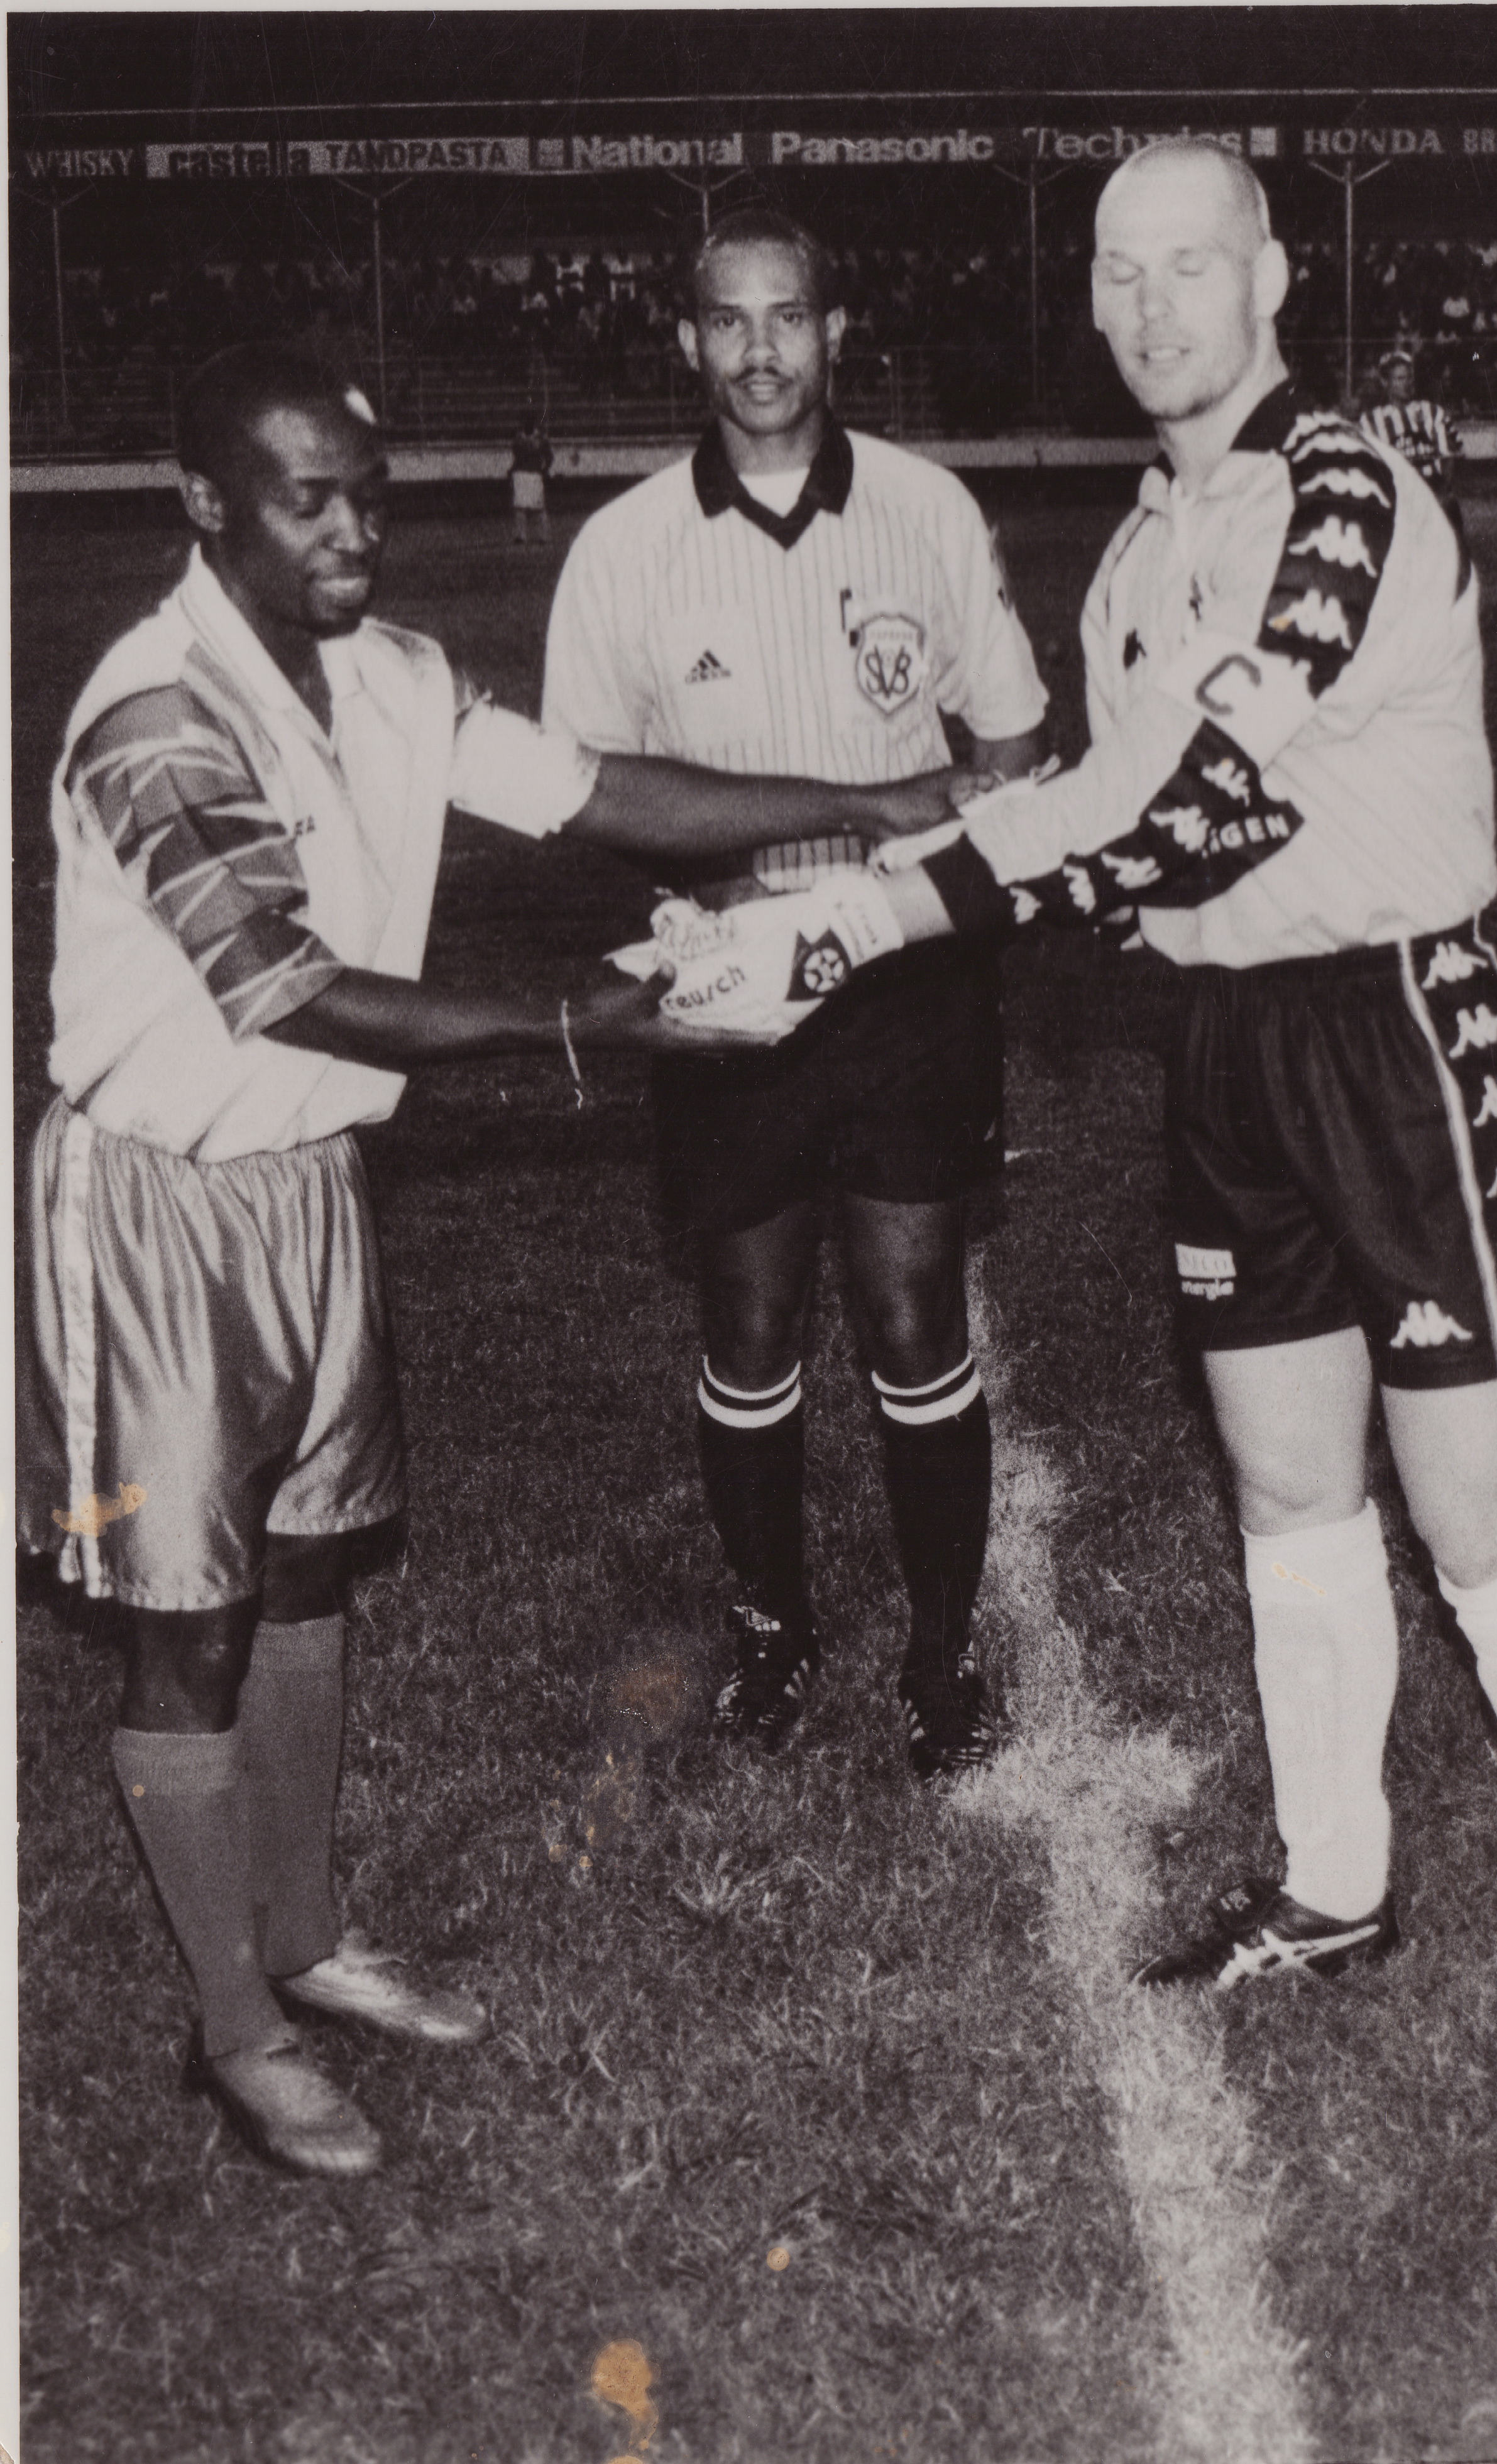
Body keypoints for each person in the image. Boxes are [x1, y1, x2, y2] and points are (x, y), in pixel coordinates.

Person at [647, 143, 1497, 2035]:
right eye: (1122, 271)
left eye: (1193, 262)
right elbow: (1096, 813)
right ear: (1092, 302)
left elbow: (1195, 798)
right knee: (1287, 1485)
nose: (1155, 304)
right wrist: (839, 900)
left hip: (1398, 1028)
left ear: (1270, 279)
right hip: (1227, 1047)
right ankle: (1332, 1887)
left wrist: (863, 916)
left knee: (1472, 1508)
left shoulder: (1345, 491)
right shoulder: (1131, 554)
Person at [15, 342, 964, 2179]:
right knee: (191, 1617)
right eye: (308, 499)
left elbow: (603, 792)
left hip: (310, 1179)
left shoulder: (391, 671)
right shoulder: (155, 714)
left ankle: (304, 1936)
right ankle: (236, 2030)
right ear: (204, 503)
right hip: (156, 1205)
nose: (353, 531)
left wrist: (856, 806)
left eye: (370, 495)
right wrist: (578, 1021)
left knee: (306, 1569)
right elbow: (284, 985)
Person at [542, 209, 1050, 1780]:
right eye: (727, 319)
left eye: (787, 317)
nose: (758, 350)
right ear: (686, 340)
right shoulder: (622, 547)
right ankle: (773, 1629)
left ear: (835, 332)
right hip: (725, 985)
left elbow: (1014, 743)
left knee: (912, 1312)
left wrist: (920, 873)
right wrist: (740, 879)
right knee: (750, 1318)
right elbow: (588, 790)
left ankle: (942, 1649)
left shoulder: (926, 509)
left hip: (905, 974)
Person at [1360, 348, 1462, 507]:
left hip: (1432, 488)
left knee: (1452, 510)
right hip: (1396, 491)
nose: (1407, 383)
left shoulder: (1433, 412)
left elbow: (1449, 456)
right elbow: (1369, 466)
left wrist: (1444, 492)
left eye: (1409, 377)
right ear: (1385, 383)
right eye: (1400, 378)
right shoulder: (1371, 420)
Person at [509, 408, 554, 547]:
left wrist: (544, 470)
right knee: (520, 507)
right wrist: (513, 471)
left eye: (529, 421)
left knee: (539, 507)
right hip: (521, 474)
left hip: (535, 474)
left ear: (534, 423)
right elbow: (516, 457)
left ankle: (543, 536)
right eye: (525, 421)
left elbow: (550, 457)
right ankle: (520, 536)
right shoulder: (518, 439)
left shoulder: (541, 439)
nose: (527, 423)